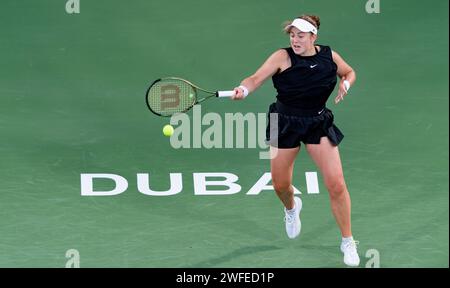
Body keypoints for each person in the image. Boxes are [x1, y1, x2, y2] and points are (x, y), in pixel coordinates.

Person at [231, 14, 360, 267]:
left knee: (336, 184)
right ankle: (291, 208)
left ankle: (347, 240)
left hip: (317, 121)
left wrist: (346, 84)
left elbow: (349, 72)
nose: (295, 39)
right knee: (280, 185)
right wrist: (243, 90)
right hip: (285, 121)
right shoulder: (282, 57)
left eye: (300, 35)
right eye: (292, 35)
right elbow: (255, 78)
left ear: (314, 37)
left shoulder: (329, 56)